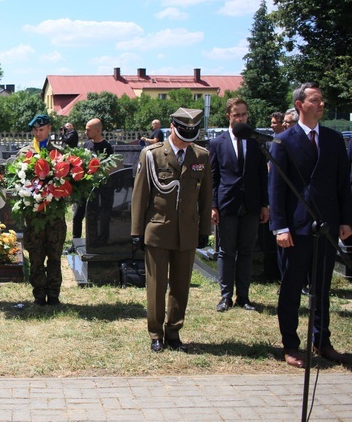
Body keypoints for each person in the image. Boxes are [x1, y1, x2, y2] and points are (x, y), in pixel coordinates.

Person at [269, 82, 352, 368]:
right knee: (291, 289)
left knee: (322, 288)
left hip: (326, 227)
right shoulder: (284, 141)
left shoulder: (333, 139)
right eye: (315, 100)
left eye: (322, 100)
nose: (321, 105)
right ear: (300, 105)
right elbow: (276, 189)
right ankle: (291, 345)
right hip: (295, 228)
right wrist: (280, 227)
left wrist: (345, 220)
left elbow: (343, 183)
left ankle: (322, 340)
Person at [131, 108, 211, 353]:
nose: (187, 141)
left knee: (181, 285)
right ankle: (155, 333)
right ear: (172, 127)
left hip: (187, 230)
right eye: (183, 134)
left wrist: (204, 229)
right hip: (158, 229)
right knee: (156, 286)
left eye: (192, 136)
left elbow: (206, 196)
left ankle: (174, 331)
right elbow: (140, 195)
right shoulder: (152, 155)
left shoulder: (201, 155)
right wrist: (136, 230)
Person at [210, 98, 269, 313]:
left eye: (244, 114)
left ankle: (243, 296)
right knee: (226, 251)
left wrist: (265, 204)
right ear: (229, 116)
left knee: (246, 251)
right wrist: (213, 206)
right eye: (237, 115)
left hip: (251, 204)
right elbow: (213, 177)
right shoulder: (218, 143)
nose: (241, 118)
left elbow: (263, 175)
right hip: (227, 204)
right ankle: (225, 296)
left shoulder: (255, 142)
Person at [16, 114, 67, 306]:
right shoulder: (24, 153)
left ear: (49, 129)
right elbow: (16, 182)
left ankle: (53, 294)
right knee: (36, 255)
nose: (39, 133)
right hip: (34, 214)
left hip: (54, 215)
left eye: (42, 129)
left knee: (54, 255)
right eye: (35, 130)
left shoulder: (59, 153)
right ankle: (39, 294)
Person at [71, 118, 114, 239]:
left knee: (96, 217)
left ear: (98, 131)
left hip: (99, 188)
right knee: (77, 216)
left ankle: (98, 241)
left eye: (88, 130)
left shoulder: (107, 147)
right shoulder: (87, 145)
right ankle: (75, 242)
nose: (85, 132)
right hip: (85, 187)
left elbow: (110, 168)